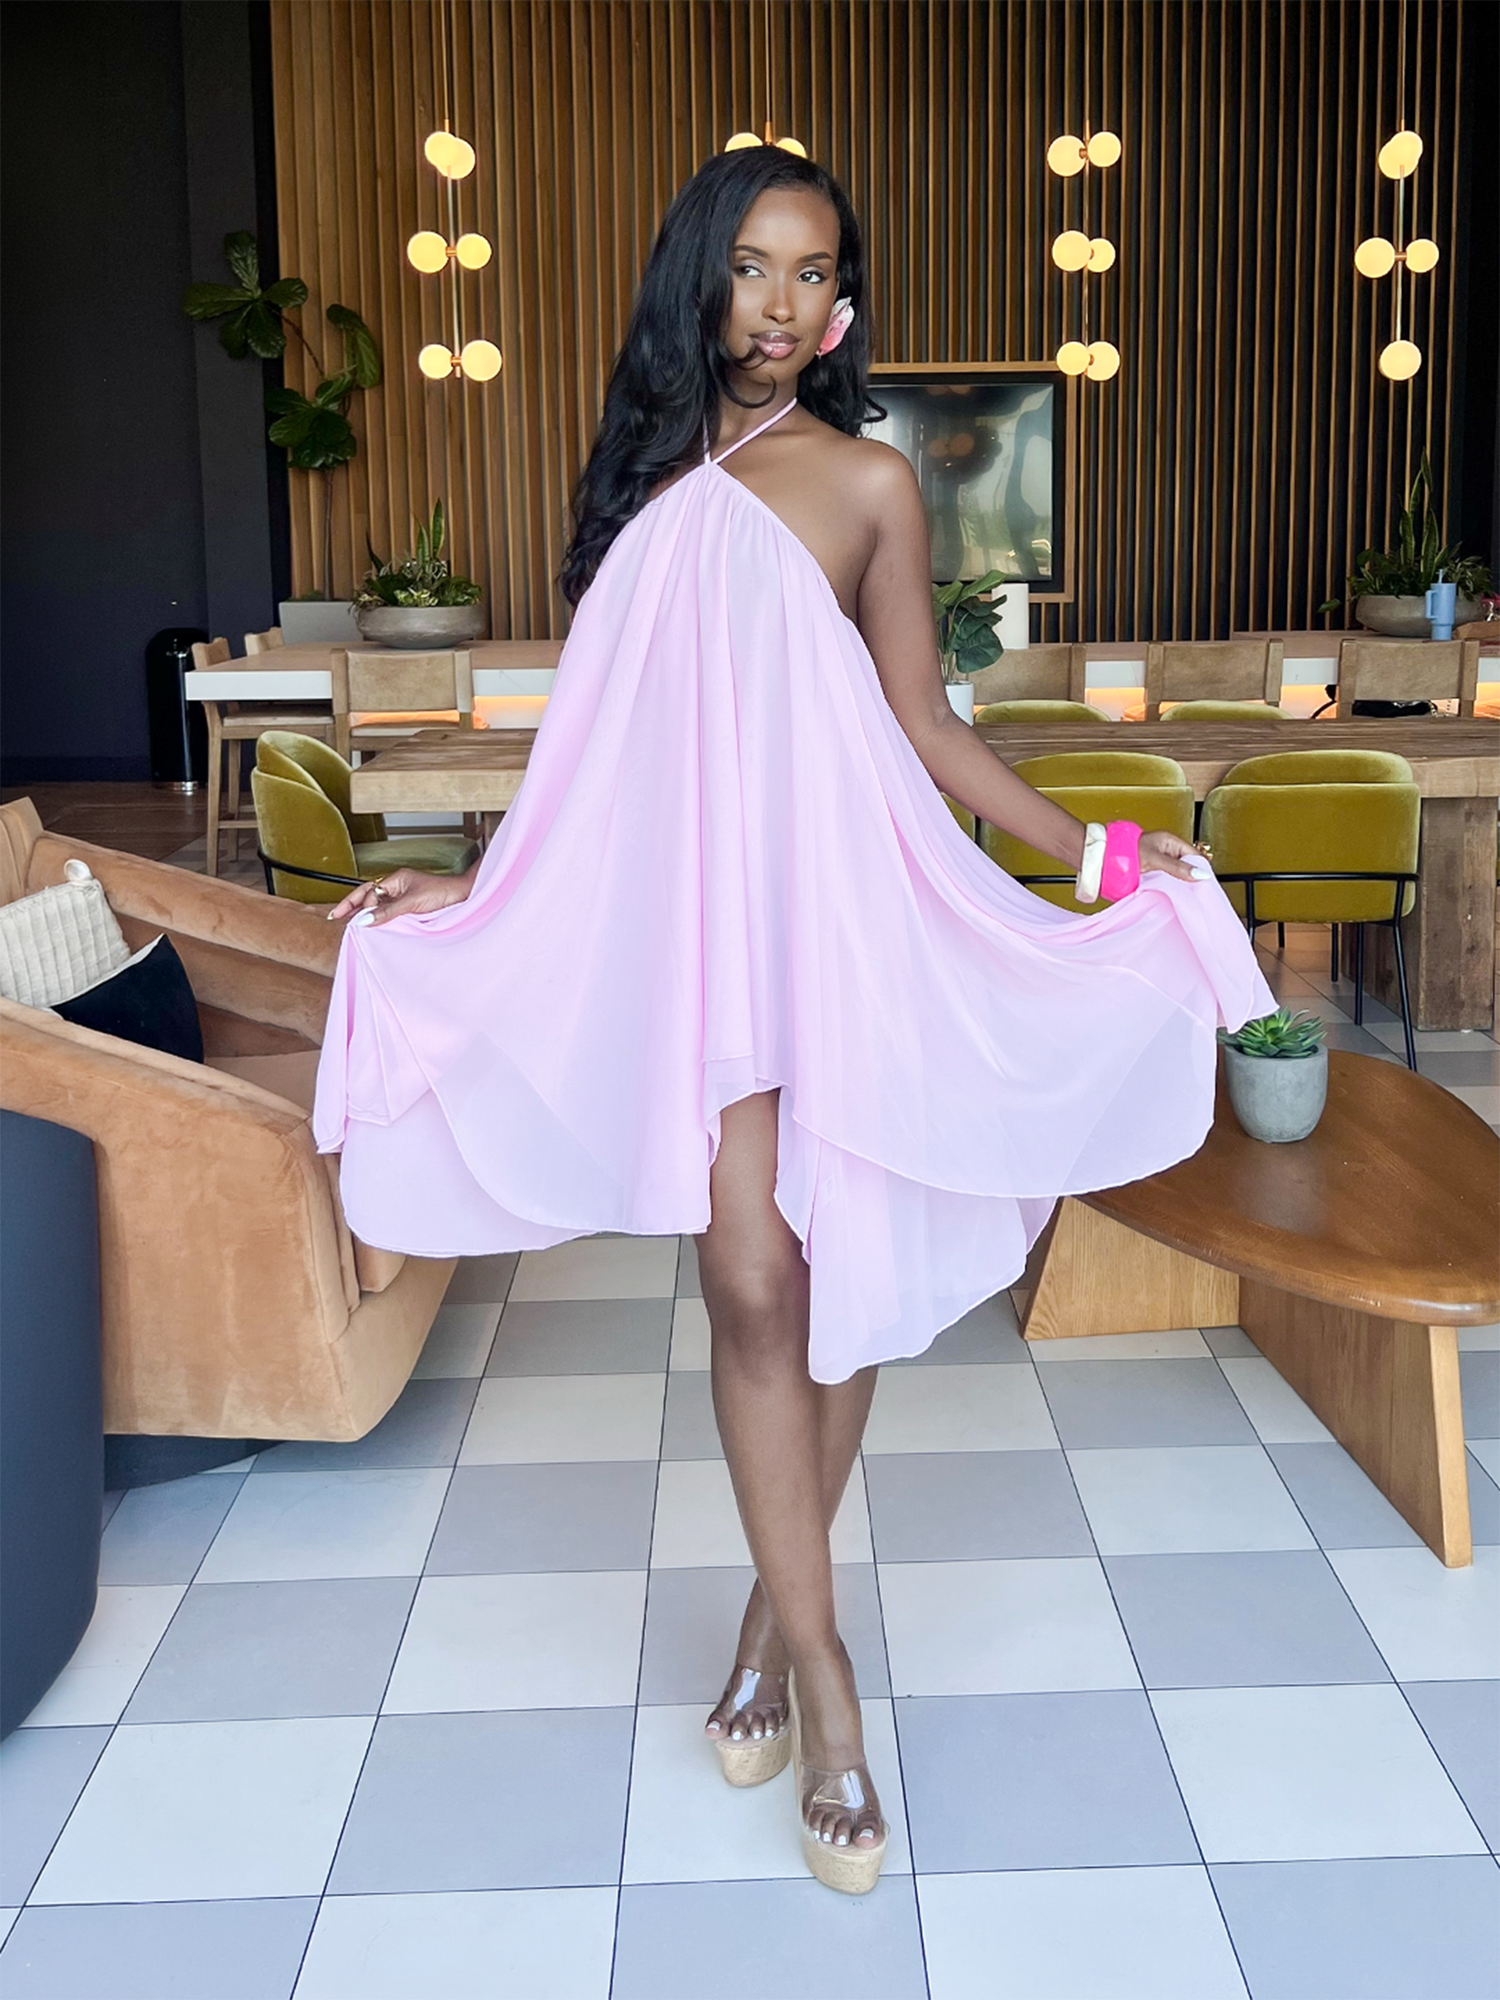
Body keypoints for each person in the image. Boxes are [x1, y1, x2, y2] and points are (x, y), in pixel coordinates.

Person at [313, 147, 1273, 1895]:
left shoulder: (872, 482)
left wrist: (1115, 857)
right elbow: (598, 735)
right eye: (752, 265)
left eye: (811, 272)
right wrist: (483, 881)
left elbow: (929, 727)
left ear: (842, 303)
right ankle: (826, 1672)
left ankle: (771, 1619)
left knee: (844, 1267)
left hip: (843, 915)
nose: (778, 302)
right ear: (702, 279)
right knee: (753, 1278)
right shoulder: (641, 477)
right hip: (699, 939)